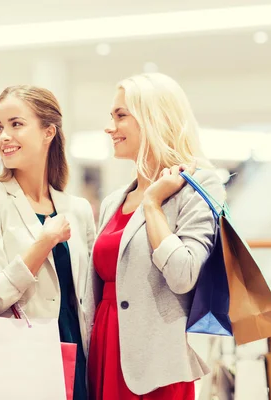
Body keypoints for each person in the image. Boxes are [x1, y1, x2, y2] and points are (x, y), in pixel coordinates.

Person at [87, 72, 226, 399]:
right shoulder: (113, 201)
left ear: (152, 120)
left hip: (158, 365)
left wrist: (152, 203)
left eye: (121, 115)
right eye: (112, 116)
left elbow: (182, 275)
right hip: (107, 350)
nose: (110, 127)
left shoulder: (199, 187)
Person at [0, 85, 95, 400]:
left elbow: (89, 295)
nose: (4, 136)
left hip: (78, 358)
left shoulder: (77, 209)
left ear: (48, 132)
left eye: (15, 124)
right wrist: (44, 242)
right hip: (20, 364)